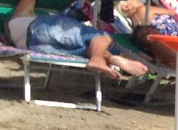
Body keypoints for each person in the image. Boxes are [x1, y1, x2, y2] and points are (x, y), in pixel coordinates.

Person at [16, 7, 148, 80]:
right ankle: (103, 59)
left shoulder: (19, 14)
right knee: (99, 38)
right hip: (37, 37)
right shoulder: (23, 13)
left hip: (33, 39)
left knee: (95, 40)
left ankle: (102, 58)